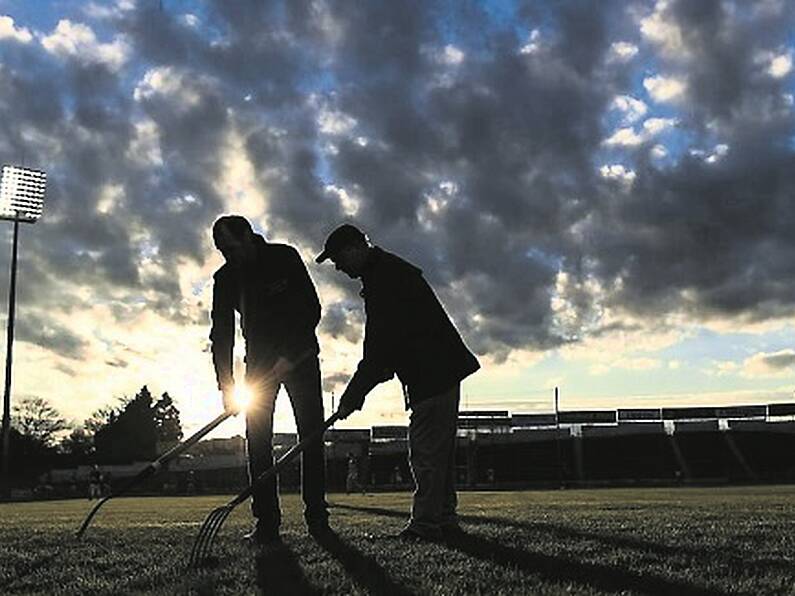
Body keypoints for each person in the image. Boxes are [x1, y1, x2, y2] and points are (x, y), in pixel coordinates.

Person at [316, 223, 479, 540]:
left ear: (354, 248)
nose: (337, 267)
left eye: (338, 259)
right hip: (434, 372)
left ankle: (426, 525)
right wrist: (358, 392)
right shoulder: (384, 273)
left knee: (426, 454)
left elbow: (379, 352)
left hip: (433, 373)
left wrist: (353, 396)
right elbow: (382, 354)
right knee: (436, 453)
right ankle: (443, 519)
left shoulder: (386, 279)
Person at [210, 215, 329, 546]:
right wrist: (227, 385)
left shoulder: (284, 257)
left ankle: (317, 517)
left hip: (301, 359)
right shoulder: (225, 278)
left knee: (311, 437)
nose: (228, 256)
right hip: (258, 369)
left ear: (248, 235)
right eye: (222, 251)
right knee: (257, 441)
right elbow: (221, 334)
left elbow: (311, 309)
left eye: (232, 248)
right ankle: (266, 522)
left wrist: (289, 356)